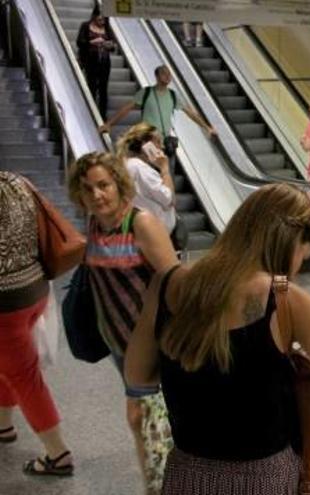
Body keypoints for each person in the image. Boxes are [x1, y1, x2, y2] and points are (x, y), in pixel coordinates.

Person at [124, 183, 310, 493]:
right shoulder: (285, 300)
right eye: (304, 254)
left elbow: (138, 375)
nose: (299, 267)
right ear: (291, 243)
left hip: (186, 474)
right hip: (263, 479)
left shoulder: (168, 283)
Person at [67, 152, 179, 493]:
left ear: (119, 184)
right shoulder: (95, 225)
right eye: (88, 189)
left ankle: (162, 487)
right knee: (148, 420)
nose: (97, 195)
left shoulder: (141, 223)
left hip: (151, 345)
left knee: (145, 419)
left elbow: (175, 282)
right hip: (118, 344)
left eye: (104, 185)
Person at [0, 172, 74, 477]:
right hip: (35, 291)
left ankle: (58, 455)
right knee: (8, 365)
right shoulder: (16, 182)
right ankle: (3, 425)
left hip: (4, 304)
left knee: (24, 376)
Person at [99, 65, 216, 175]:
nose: (168, 76)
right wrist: (109, 124)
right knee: (151, 174)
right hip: (148, 141)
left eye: (169, 74)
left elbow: (190, 113)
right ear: (157, 76)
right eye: (164, 74)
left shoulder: (173, 95)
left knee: (166, 176)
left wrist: (207, 127)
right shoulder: (146, 93)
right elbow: (127, 108)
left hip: (165, 143)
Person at [117, 123, 176, 234]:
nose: (162, 147)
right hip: (154, 233)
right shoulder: (140, 168)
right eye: (158, 142)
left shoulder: (129, 164)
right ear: (145, 144)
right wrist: (164, 169)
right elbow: (169, 200)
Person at [76, 6, 115, 119]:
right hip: (90, 60)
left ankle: (102, 115)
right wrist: (93, 42)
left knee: (103, 88)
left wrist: (109, 45)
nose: (101, 22)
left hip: (104, 61)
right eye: (99, 19)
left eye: (103, 20)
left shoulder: (107, 28)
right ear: (94, 17)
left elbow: (112, 45)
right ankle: (91, 113)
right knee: (92, 85)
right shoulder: (85, 26)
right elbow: (80, 42)